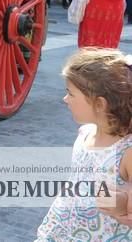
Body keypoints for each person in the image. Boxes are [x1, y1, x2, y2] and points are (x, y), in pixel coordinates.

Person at [35, 49, 132, 240]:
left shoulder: (126, 151)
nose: (65, 100)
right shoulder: (85, 133)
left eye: (71, 94)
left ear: (99, 104)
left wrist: (124, 201)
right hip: (62, 229)